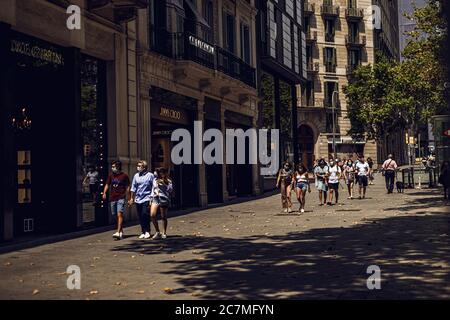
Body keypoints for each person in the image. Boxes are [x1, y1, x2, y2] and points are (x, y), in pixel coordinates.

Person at [103, 161, 130, 240]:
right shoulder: (111, 175)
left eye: (114, 166)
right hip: (113, 197)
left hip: (121, 197)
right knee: (115, 215)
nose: (112, 168)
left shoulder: (124, 176)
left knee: (119, 214)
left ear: (118, 166)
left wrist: (128, 196)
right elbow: (107, 184)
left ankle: (118, 232)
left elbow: (128, 186)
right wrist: (104, 193)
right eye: (112, 166)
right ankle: (121, 231)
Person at [129, 160, 155, 239]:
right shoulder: (136, 176)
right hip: (138, 199)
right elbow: (133, 188)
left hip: (147, 198)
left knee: (145, 214)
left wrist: (152, 197)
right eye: (138, 166)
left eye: (140, 166)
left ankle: (147, 231)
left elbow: (153, 187)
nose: (138, 167)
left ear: (144, 167)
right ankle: (143, 231)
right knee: (140, 215)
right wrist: (131, 198)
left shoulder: (150, 175)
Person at [150, 167, 173, 239]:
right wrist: (150, 199)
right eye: (160, 172)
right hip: (155, 198)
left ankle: (164, 232)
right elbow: (153, 189)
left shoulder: (168, 181)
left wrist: (164, 183)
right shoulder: (155, 180)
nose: (161, 174)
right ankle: (157, 231)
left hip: (164, 198)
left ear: (165, 173)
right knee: (152, 215)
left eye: (162, 172)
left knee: (163, 217)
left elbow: (170, 190)